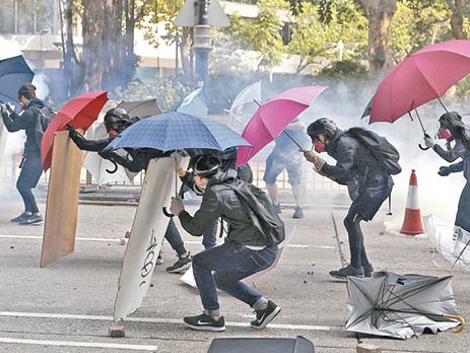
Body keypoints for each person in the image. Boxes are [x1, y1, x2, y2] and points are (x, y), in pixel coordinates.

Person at [67, 107, 193, 273]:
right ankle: (157, 252)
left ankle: (183, 255)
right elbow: (137, 164)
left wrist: (71, 131)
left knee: (160, 215)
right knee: (154, 215)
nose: (111, 132)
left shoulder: (130, 134)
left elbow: (88, 145)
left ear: (117, 124)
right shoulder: (140, 126)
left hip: (164, 176)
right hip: (167, 173)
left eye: (111, 128)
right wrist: (112, 155)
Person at [169, 155, 281, 332]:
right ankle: (264, 307)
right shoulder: (234, 182)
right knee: (221, 279)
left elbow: (196, 228)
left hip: (250, 249)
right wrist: (182, 173)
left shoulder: (215, 194)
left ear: (200, 177)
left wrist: (180, 212)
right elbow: (202, 187)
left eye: (196, 176)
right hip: (268, 249)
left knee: (200, 262)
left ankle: (212, 316)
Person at [302, 118, 394, 279]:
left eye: (315, 138)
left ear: (324, 136)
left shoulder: (344, 144)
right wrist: (323, 169)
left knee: (351, 221)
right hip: (372, 184)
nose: (314, 142)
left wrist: (318, 161)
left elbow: (342, 172)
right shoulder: (340, 144)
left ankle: (356, 267)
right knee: (352, 222)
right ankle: (364, 267)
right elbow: (348, 175)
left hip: (376, 185)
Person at [1, 83, 45, 225]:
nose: (20, 103)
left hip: (35, 154)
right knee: (24, 184)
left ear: (24, 98)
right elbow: (23, 122)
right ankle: (28, 212)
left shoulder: (30, 112)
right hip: (39, 153)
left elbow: (13, 127)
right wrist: (10, 111)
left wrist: (3, 113)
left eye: (20, 100)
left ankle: (36, 213)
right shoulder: (37, 109)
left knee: (22, 185)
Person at [424, 111, 470, 233]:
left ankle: (461, 241)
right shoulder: (463, 138)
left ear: (450, 127)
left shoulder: (464, 139)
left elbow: (450, 157)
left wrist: (433, 146)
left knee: (464, 213)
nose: (440, 130)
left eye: (443, 126)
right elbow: (464, 163)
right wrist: (449, 170)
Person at [263, 118, 309, 219]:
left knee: (295, 181)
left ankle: (298, 207)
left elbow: (301, 125)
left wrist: (285, 125)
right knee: (269, 177)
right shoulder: (270, 120)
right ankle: (275, 205)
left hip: (294, 151)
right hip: (279, 149)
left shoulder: (288, 115)